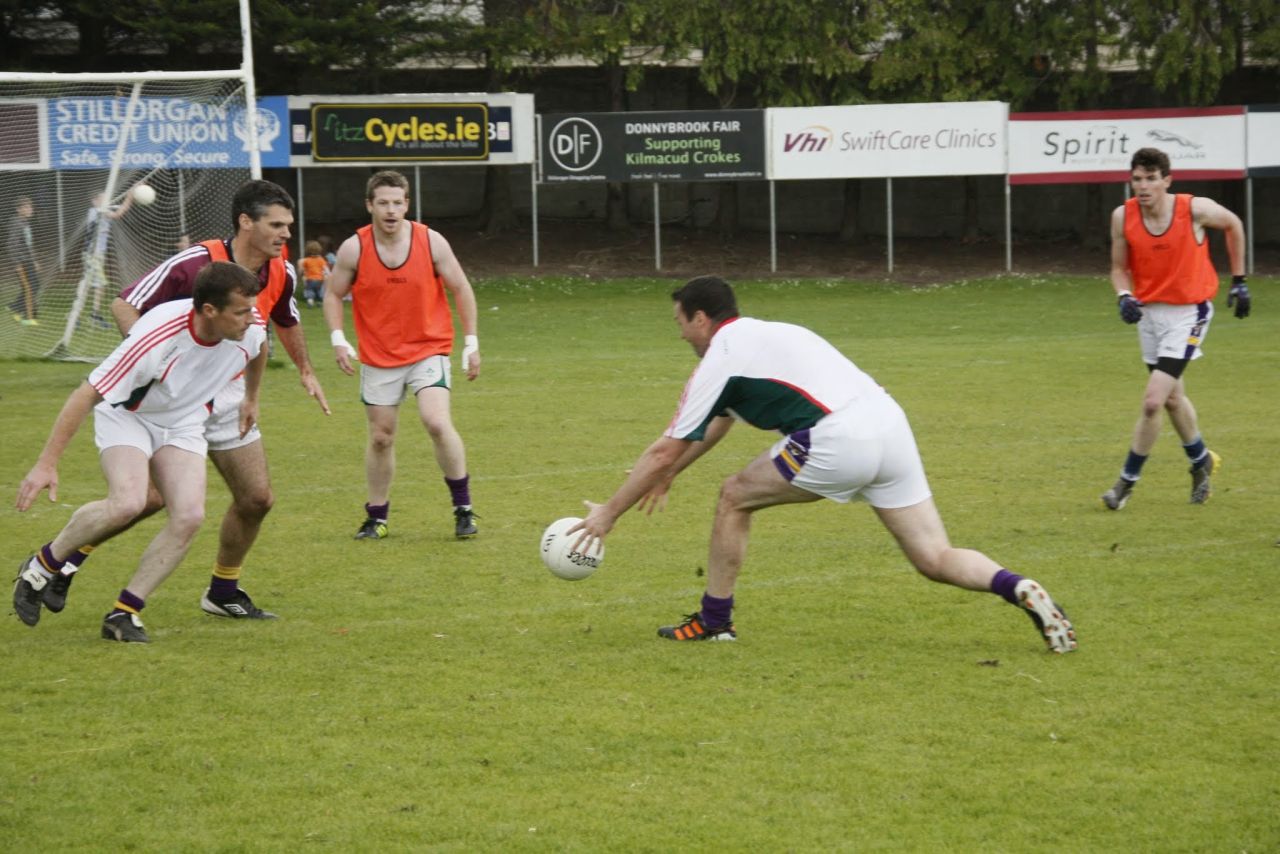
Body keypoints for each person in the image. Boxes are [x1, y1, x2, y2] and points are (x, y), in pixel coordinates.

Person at [571, 276, 1077, 653]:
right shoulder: (765, 334)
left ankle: (714, 621)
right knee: (933, 557)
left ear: (701, 318)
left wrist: (608, 514)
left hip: (839, 436)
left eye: (680, 323)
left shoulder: (720, 354)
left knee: (733, 496)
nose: (680, 335)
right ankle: (1019, 587)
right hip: (890, 426)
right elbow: (718, 422)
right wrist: (669, 475)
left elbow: (666, 445)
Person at [33, 180, 331, 623]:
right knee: (147, 499)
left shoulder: (282, 271)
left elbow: (280, 323)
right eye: (277, 224)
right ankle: (67, 561)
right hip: (172, 398)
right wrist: (156, 364)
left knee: (257, 499)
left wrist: (300, 371)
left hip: (226, 394)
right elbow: (124, 304)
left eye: (288, 225)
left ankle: (223, 591)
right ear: (246, 222)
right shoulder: (194, 263)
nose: (287, 234)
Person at [12, 262, 267, 643]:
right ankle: (42, 565)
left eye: (252, 309)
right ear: (209, 311)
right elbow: (86, 393)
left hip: (183, 421)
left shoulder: (249, 325)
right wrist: (46, 464)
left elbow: (259, 348)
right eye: (241, 312)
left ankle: (124, 612)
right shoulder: (156, 337)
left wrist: (250, 398)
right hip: (127, 416)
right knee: (127, 503)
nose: (251, 319)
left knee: (190, 515)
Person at [324, 170, 481, 540]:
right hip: (379, 355)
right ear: (370, 206)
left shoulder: (432, 242)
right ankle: (376, 517)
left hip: (429, 348)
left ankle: (464, 509)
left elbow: (461, 287)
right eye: (383, 203)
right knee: (381, 436)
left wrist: (471, 342)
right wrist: (337, 338)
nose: (391, 210)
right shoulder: (354, 248)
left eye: (398, 202)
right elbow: (333, 294)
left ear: (407, 204)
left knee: (436, 422)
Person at [1101, 147, 1248, 510]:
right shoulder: (1123, 216)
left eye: (1151, 179)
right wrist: (1123, 295)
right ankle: (1201, 462)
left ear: (1167, 180)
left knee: (1152, 401)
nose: (1143, 186)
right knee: (1170, 399)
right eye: (1137, 179)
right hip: (1149, 316)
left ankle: (1125, 483)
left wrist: (1240, 280)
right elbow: (1119, 268)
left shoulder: (1192, 209)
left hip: (1189, 314)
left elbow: (1234, 224)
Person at [80, 188, 136, 328]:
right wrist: (129, 196)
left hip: (96, 254)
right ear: (94, 201)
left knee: (87, 285)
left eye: (107, 199)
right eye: (102, 199)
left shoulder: (101, 210)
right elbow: (118, 214)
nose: (106, 201)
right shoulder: (97, 211)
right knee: (100, 284)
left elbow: (118, 209)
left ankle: (78, 315)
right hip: (93, 254)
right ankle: (94, 314)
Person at [7, 196, 41, 325]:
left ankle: (15, 308)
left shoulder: (25, 223)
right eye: (26, 207)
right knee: (30, 287)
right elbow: (11, 245)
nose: (30, 209)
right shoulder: (16, 223)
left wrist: (35, 261)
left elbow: (28, 245)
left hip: (28, 261)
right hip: (22, 262)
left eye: (30, 206)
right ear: (18, 209)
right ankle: (27, 317)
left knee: (34, 286)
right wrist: (17, 264)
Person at [299, 239, 329, 307]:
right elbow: (325, 269)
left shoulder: (306, 260)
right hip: (320, 279)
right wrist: (327, 275)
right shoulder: (321, 260)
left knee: (309, 290)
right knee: (319, 290)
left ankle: (310, 301)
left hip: (310, 279)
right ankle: (320, 301)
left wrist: (302, 274)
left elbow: (303, 270)